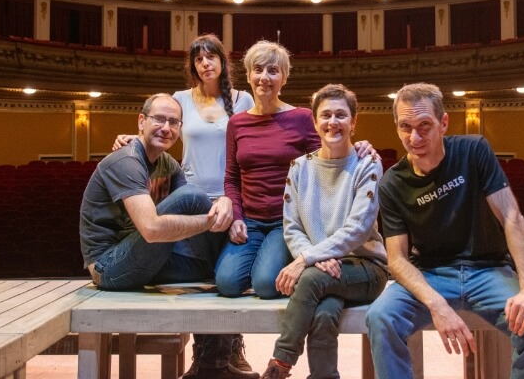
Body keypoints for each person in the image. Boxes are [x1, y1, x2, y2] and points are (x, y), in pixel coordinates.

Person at [365, 83, 524, 379]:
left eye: (424, 125)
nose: (414, 137)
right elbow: (397, 259)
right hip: (430, 274)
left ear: (443, 123)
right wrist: (437, 305)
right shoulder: (392, 183)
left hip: (488, 270)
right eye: (405, 127)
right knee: (381, 317)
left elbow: (511, 216)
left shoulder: (474, 150)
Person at [111, 34, 258, 378]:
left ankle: (231, 348)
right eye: (198, 59)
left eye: (211, 57)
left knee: (225, 274)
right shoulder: (180, 99)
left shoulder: (243, 99)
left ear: (223, 61)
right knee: (201, 275)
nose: (205, 63)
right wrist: (132, 138)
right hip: (190, 199)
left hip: (232, 198)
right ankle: (205, 353)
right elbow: (160, 129)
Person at [81, 93, 252, 379]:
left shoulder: (167, 164)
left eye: (174, 122)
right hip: (109, 266)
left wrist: (226, 205)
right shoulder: (126, 161)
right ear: (141, 121)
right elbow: (151, 228)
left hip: (145, 257)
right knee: (192, 196)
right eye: (159, 119)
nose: (166, 128)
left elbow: (198, 210)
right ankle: (220, 356)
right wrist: (213, 221)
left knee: (212, 270)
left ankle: (213, 365)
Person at [215, 41, 376, 300]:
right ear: (248, 75)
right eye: (258, 69)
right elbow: (231, 177)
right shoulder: (237, 123)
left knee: (266, 285)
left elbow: (326, 158)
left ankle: (288, 263)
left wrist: (358, 147)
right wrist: (236, 216)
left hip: (288, 221)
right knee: (227, 284)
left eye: (273, 71)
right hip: (250, 220)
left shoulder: (301, 118)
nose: (264, 77)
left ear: (284, 78)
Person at [261, 84, 389, 379]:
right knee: (323, 313)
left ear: (353, 122)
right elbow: (292, 227)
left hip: (366, 268)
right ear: (315, 122)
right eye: (326, 115)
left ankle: (280, 364)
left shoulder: (367, 164)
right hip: (322, 270)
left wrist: (307, 260)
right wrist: (313, 257)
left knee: (311, 280)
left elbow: (357, 229)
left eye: (341, 115)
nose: (333, 122)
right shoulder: (299, 168)